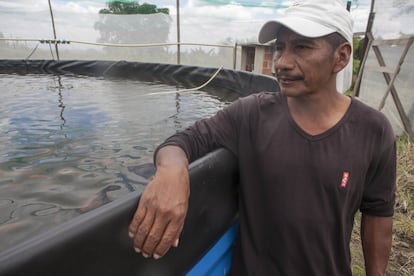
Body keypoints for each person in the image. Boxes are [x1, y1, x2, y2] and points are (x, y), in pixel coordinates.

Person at [128, 0, 396, 275]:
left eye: (301, 47)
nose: (282, 62)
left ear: (340, 57)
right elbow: (183, 141)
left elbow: (378, 212)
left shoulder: (373, 130)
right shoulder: (252, 114)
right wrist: (172, 173)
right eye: (280, 47)